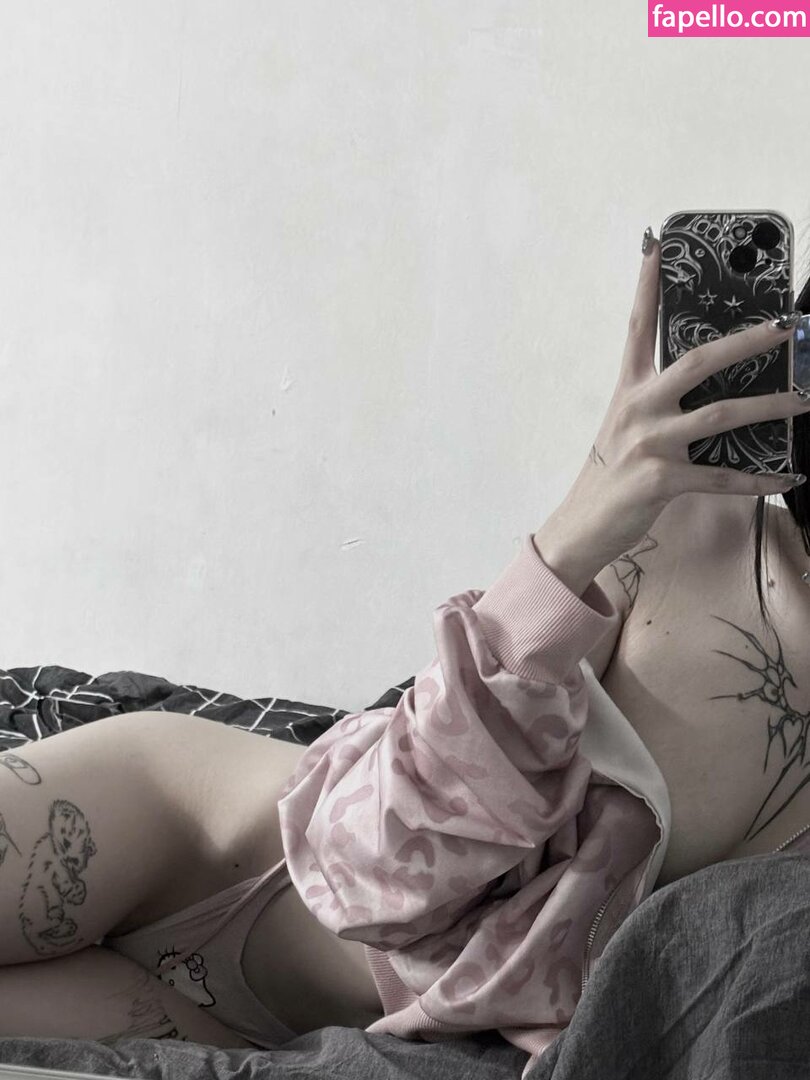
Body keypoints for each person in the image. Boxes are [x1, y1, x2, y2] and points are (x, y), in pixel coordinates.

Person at [1, 227, 809, 1079]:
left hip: (275, 1036)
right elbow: (371, 870)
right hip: (203, 843)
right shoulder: (684, 528)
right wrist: (574, 537)